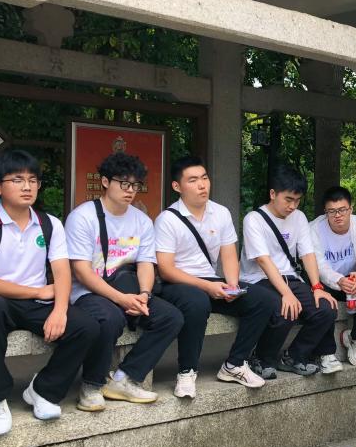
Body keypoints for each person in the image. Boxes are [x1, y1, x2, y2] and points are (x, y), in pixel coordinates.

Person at [0, 150, 98, 435]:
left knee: (86, 327)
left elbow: (62, 273)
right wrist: (37, 290)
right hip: (1, 300)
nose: (27, 187)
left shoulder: (50, 224)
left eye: (33, 180)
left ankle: (44, 390)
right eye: (17, 180)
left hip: (39, 301)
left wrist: (60, 311)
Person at [154, 156, 283, 398]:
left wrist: (232, 285)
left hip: (210, 281)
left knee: (265, 300)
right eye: (193, 180)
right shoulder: (167, 219)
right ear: (177, 186)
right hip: (177, 284)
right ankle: (187, 372)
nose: (202, 185)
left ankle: (235, 364)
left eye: (204, 178)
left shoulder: (220, 213)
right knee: (197, 302)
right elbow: (166, 269)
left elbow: (229, 254)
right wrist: (206, 286)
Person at [66, 152, 184, 410]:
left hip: (129, 290)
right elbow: (82, 271)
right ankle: (91, 385)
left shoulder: (142, 220)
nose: (130, 190)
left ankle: (124, 378)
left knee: (171, 317)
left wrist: (144, 294)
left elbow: (146, 263)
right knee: (110, 318)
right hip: (89, 292)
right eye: (124, 183)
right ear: (105, 182)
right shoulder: (83, 217)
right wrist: (121, 299)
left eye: (135, 185)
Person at [240, 164, 338, 377]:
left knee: (326, 308)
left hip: (290, 278)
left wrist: (317, 287)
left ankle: (294, 356)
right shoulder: (254, 219)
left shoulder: (299, 217)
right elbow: (263, 261)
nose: (293, 206)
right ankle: (262, 358)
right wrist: (286, 294)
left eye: (297, 200)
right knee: (285, 309)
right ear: (272, 194)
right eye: (288, 199)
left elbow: (307, 254)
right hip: (258, 279)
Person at [309, 185, 356, 368]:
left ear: (351, 209)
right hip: (327, 281)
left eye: (342, 210)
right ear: (325, 212)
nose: (337, 215)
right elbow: (318, 266)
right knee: (320, 293)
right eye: (331, 211)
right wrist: (338, 280)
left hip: (352, 280)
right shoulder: (314, 229)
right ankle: (326, 352)